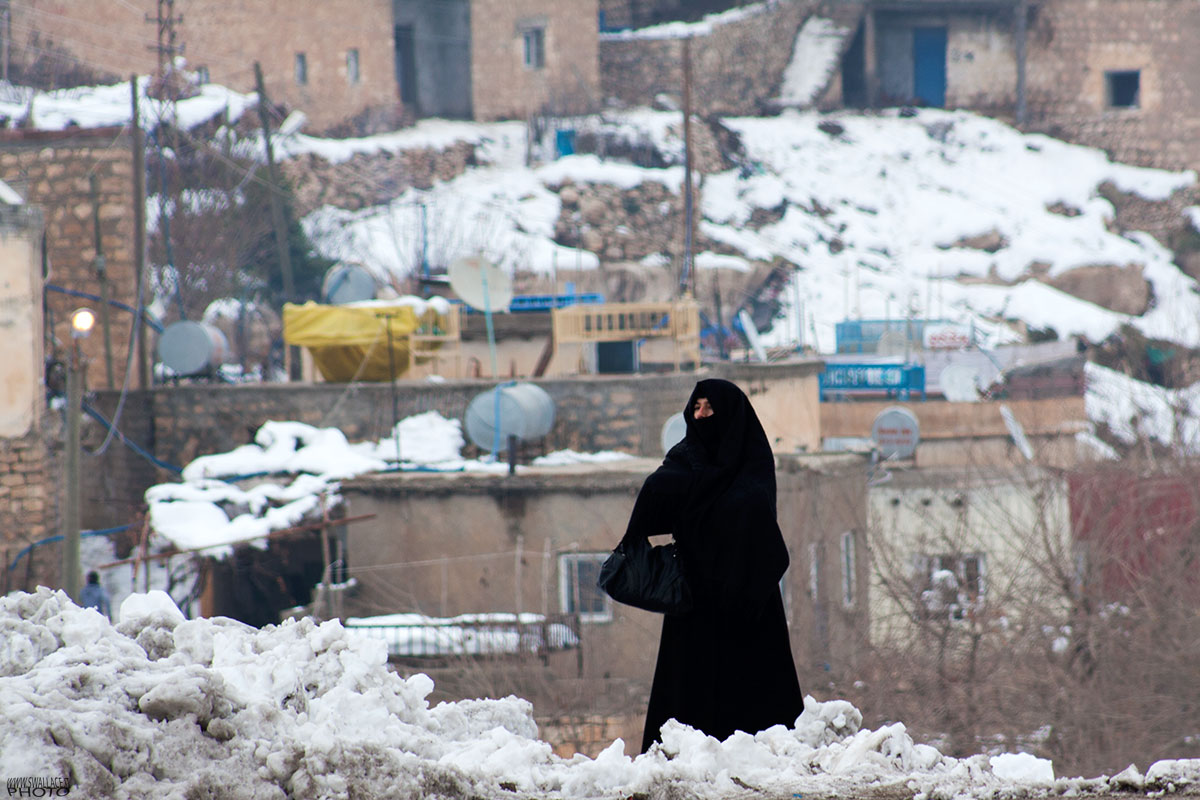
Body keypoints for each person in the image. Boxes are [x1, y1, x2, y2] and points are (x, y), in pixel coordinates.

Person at [622, 378, 804, 752]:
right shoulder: (684, 463)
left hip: (747, 604)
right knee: (688, 702)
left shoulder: (751, 465)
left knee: (756, 706)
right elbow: (652, 505)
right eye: (696, 408)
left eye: (710, 408)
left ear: (730, 416)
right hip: (696, 602)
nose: (701, 415)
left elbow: (757, 523)